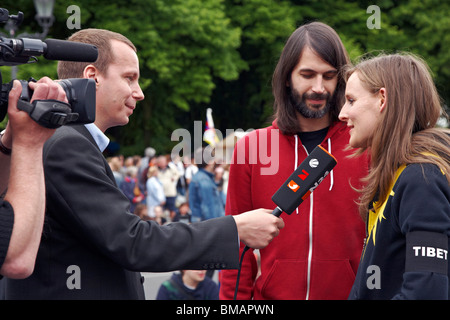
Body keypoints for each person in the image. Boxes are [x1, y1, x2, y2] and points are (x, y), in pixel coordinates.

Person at [3, 28, 284, 300]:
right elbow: (132, 241)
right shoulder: (67, 143)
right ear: (93, 76)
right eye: (130, 78)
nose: (139, 93)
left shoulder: (68, 139)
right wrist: (234, 229)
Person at [219, 21, 369, 300]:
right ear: (287, 77)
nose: (318, 87)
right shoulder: (252, 147)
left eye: (328, 76)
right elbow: (236, 246)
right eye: (307, 74)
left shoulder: (364, 146)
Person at [338, 53, 450, 300]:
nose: (342, 114)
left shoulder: (422, 178)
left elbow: (427, 292)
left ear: (382, 99)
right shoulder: (399, 172)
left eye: (351, 100)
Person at [0, 78, 67, 278]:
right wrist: (30, 141)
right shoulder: (70, 143)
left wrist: (8, 144)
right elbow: (16, 259)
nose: (140, 94)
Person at [189, 147, 225, 222]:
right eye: (213, 159)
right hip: (210, 224)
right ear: (209, 162)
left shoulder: (202, 177)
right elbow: (208, 207)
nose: (215, 161)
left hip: (203, 223)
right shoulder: (203, 180)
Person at [157, 155, 180, 220]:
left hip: (171, 193)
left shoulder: (171, 167)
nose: (163, 163)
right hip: (161, 194)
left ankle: (171, 222)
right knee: (162, 210)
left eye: (164, 161)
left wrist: (174, 178)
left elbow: (177, 174)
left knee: (172, 209)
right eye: (161, 162)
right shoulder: (156, 169)